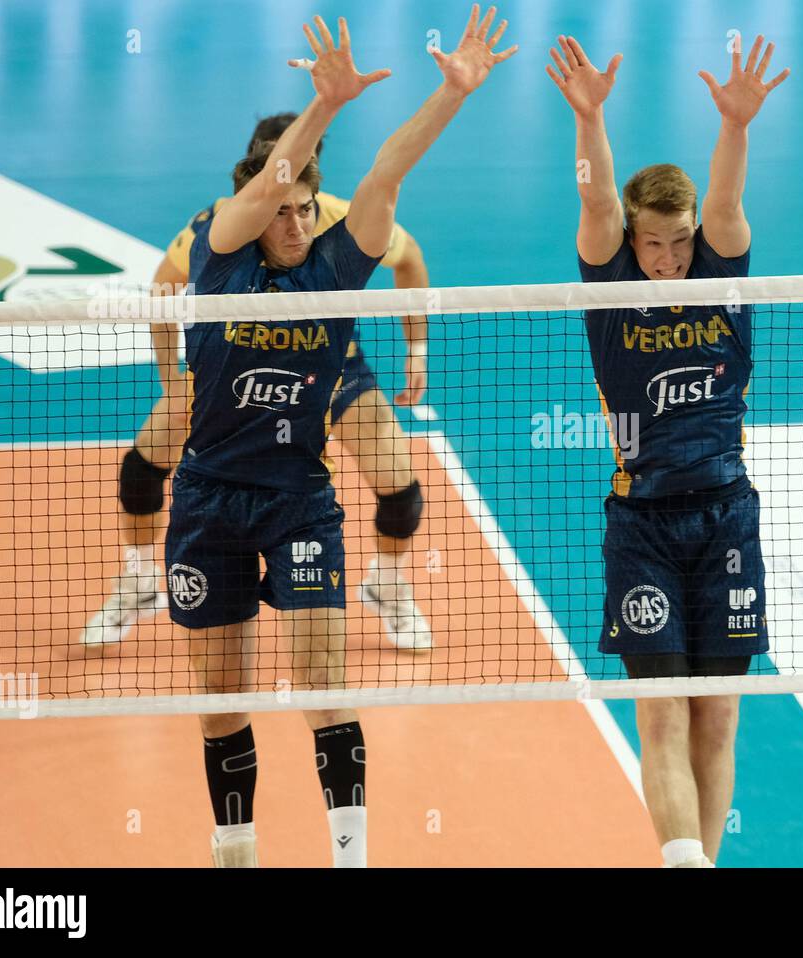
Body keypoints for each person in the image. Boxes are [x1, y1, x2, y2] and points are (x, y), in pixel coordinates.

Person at [173, 8, 516, 868]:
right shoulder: (219, 257)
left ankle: (351, 859)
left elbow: (390, 170)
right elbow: (265, 184)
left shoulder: (334, 269)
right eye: (280, 209)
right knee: (222, 703)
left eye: (302, 211)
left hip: (298, 502)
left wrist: (453, 93)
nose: (293, 222)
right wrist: (321, 105)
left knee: (324, 688)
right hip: (208, 499)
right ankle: (236, 850)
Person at [547, 33, 787, 867]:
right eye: (654, 243)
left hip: (727, 517)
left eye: (679, 241)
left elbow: (724, 200)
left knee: (717, 718)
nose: (669, 257)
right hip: (642, 524)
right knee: (662, 715)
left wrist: (737, 128)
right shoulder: (612, 290)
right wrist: (590, 119)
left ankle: (702, 861)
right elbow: (597, 205)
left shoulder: (719, 273)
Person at [81, 113, 434, 650]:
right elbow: (162, 289)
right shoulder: (218, 226)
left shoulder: (335, 214)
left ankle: (386, 582)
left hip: (333, 372)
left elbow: (409, 261)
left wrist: (417, 349)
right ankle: (137, 578)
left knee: (400, 489)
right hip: (229, 374)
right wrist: (171, 379)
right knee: (142, 466)